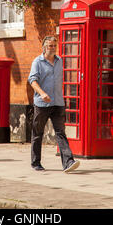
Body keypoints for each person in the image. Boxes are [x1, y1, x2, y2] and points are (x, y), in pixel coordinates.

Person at [28, 35, 80, 172]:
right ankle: (35, 163)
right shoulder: (37, 62)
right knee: (37, 133)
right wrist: (42, 93)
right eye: (50, 46)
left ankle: (68, 162)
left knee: (60, 132)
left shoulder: (60, 61)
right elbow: (32, 80)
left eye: (54, 46)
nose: (52, 48)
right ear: (44, 47)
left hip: (58, 102)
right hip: (41, 104)